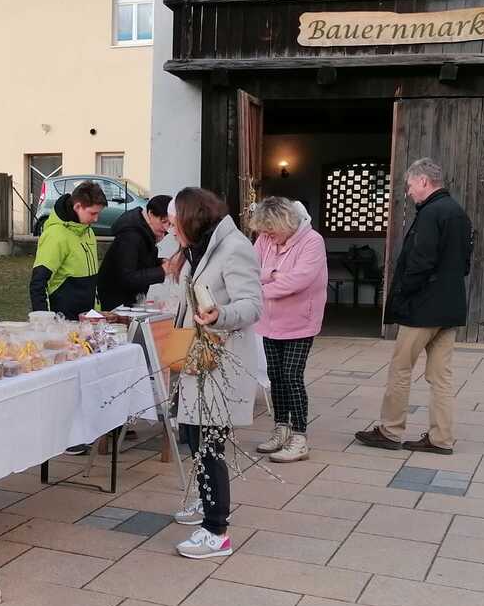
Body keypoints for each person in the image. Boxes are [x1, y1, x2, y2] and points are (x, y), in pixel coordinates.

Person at [355, 158, 473, 456]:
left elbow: (420, 262)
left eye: (409, 186)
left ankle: (390, 430)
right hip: (450, 307)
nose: (408, 192)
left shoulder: (431, 213)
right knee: (441, 376)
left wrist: (402, 295)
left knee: (400, 368)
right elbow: (464, 264)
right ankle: (441, 438)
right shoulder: (458, 212)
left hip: (423, 308)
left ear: (423, 181)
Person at [170, 187, 264, 559]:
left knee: (208, 444)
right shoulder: (199, 248)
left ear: (191, 219)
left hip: (221, 361)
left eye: (175, 221)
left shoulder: (234, 247)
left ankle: (216, 530)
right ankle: (207, 501)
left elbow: (252, 305)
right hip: (198, 359)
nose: (171, 228)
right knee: (194, 436)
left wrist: (220, 315)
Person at [250, 197, 327, 463]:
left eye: (270, 230)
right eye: (263, 231)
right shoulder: (265, 238)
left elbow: (298, 281)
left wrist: (263, 284)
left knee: (292, 375)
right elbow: (252, 269)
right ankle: (280, 428)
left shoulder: (312, 241)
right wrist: (273, 274)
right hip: (269, 321)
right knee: (275, 375)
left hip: (300, 321)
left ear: (285, 222)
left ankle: (299, 437)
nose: (266, 236)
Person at [29, 181, 103, 319]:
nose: (96, 219)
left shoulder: (89, 232)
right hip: (61, 323)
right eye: (92, 213)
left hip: (87, 321)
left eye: (98, 213)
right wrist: (46, 323)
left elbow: (92, 282)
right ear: (77, 206)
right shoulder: (55, 235)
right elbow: (38, 284)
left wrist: (97, 312)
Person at [98, 193, 170, 310]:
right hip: (117, 303)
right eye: (163, 221)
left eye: (170, 224)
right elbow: (127, 276)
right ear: (151, 214)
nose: (166, 228)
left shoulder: (143, 230)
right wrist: (161, 271)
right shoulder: (131, 235)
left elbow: (139, 261)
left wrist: (159, 262)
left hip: (126, 301)